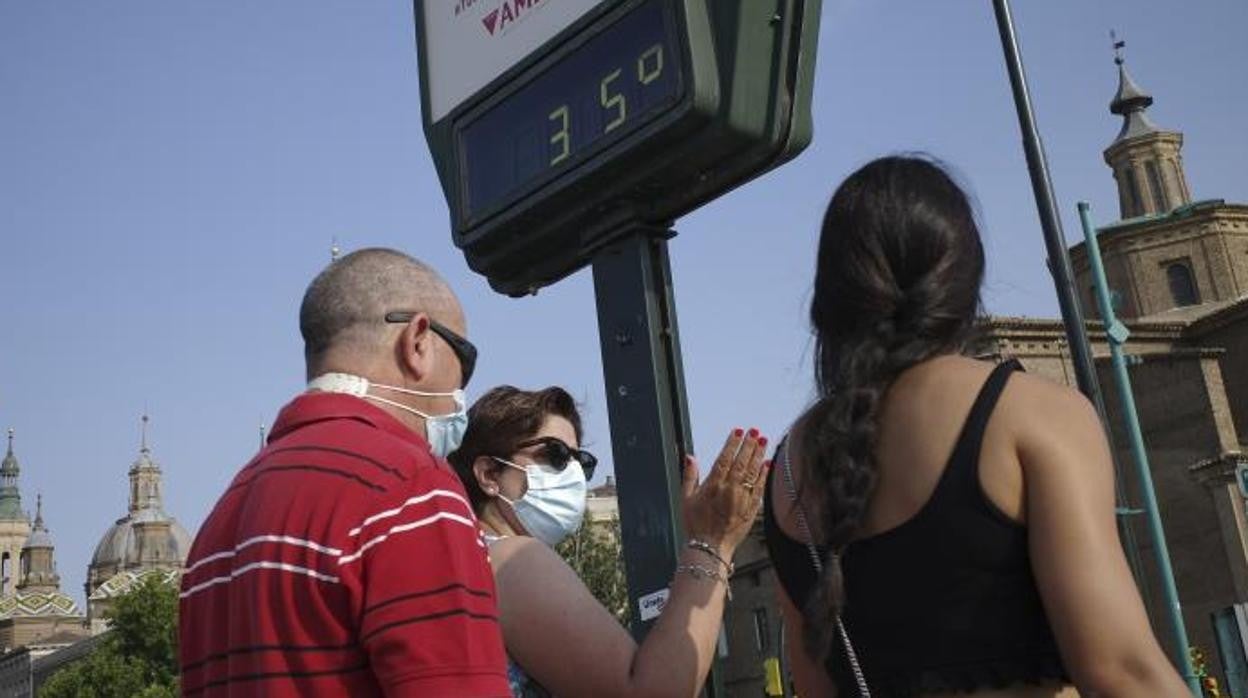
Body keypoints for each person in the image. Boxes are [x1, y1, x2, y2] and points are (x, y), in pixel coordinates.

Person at [763, 156, 1188, 697]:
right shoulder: (1030, 414)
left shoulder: (788, 471)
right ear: (963, 277)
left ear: (833, 292)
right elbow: (1122, 673)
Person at [180, 248, 509, 696]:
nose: (460, 391)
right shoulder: (413, 488)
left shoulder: (219, 523)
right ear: (418, 341)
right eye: (465, 360)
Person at [447, 385, 768, 698]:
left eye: (581, 461)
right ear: (489, 474)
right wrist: (712, 543)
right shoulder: (513, 558)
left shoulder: (470, 558)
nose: (572, 473)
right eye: (556, 455)